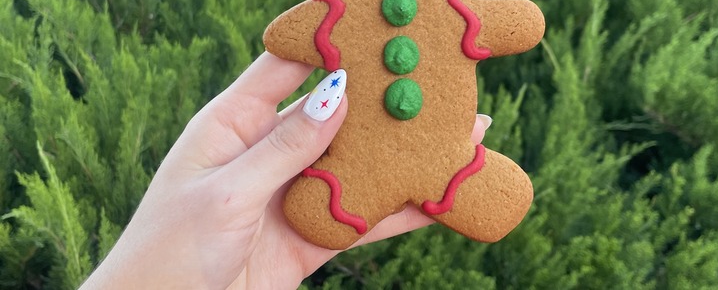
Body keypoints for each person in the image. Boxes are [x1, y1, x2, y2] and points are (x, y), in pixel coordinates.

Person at [80, 52, 491, 289]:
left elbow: (521, 22)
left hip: (429, 155)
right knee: (322, 207)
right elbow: (287, 36)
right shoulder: (343, 13)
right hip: (347, 175)